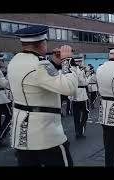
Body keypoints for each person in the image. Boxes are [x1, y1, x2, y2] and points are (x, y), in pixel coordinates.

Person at [8, 25, 78, 166]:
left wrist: (53, 63)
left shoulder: (14, 61)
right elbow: (69, 88)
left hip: (22, 135)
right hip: (45, 136)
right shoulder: (39, 65)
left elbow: (38, 79)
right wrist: (67, 61)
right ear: (42, 43)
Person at [69, 56, 89, 139]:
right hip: (81, 94)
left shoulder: (70, 70)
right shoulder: (78, 70)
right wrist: (87, 75)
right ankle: (80, 130)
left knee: (76, 115)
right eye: (80, 61)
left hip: (74, 94)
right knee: (86, 113)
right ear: (77, 62)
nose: (81, 63)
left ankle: (77, 131)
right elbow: (84, 82)